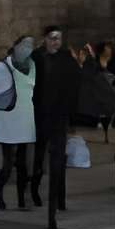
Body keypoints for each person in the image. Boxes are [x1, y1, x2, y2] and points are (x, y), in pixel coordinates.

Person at [32, 22, 82, 212]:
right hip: (40, 115)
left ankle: (59, 198)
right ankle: (35, 191)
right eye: (52, 38)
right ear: (45, 39)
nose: (55, 42)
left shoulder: (66, 58)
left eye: (58, 39)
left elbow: (74, 85)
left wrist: (72, 116)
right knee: (38, 157)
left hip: (59, 115)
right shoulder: (36, 57)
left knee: (59, 159)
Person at [0, 32, 38, 207]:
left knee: (23, 165)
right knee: (8, 165)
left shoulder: (32, 66)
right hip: (8, 123)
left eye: (30, 45)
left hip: (26, 122)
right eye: (24, 44)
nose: (27, 48)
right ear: (16, 46)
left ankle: (22, 200)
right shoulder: (3, 67)